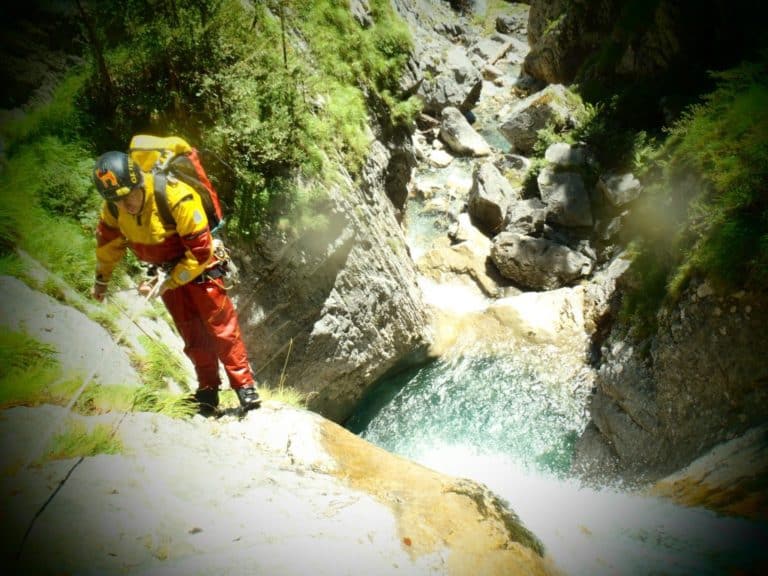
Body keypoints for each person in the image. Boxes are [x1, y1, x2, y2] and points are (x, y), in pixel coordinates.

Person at [90, 145, 261, 415]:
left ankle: (245, 387)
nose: (125, 205)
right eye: (117, 201)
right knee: (191, 332)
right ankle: (208, 391)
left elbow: (201, 251)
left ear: (138, 182)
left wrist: (169, 281)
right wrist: (101, 281)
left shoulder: (175, 196)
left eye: (127, 197)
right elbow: (108, 245)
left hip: (200, 267)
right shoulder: (114, 209)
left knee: (221, 328)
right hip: (165, 273)